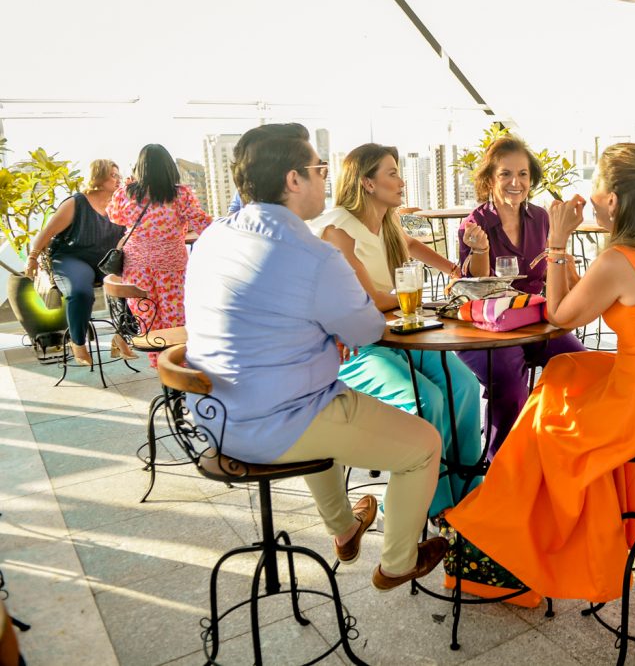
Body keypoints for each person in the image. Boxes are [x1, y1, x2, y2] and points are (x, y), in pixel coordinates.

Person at [447, 143, 635, 602]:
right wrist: (569, 269)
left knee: (543, 425)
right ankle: (504, 504)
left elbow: (561, 315)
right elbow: (593, 306)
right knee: (565, 369)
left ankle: (510, 528)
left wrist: (556, 243)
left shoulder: (618, 259)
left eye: (595, 189)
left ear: (612, 201)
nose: (589, 199)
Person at [185, 123, 446, 590]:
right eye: (319, 169)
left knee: (324, 400)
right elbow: (365, 330)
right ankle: (399, 562)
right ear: (293, 180)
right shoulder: (313, 255)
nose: (326, 179)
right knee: (422, 444)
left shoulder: (212, 237)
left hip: (214, 417)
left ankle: (345, 528)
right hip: (278, 423)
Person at [308, 143, 481, 518]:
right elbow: (367, 300)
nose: (401, 181)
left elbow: (413, 245)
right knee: (426, 401)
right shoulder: (337, 228)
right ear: (367, 183)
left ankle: (466, 490)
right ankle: (418, 502)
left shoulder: (387, 223)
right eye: (391, 173)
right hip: (354, 348)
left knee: (464, 386)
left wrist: (454, 271)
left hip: (396, 336)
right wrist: (416, 298)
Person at [456, 136, 586, 457]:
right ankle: (500, 466)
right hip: (486, 327)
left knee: (581, 365)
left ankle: (558, 448)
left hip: (531, 317)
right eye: (505, 174)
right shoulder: (474, 224)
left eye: (523, 174)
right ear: (490, 179)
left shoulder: (541, 218)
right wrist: (481, 249)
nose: (516, 182)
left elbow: (550, 267)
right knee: (511, 388)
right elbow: (477, 286)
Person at [107, 144, 212, 366]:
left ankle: (161, 369)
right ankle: (179, 366)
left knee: (148, 321)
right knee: (176, 320)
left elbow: (115, 218)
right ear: (168, 167)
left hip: (136, 268)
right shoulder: (180, 194)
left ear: (140, 168)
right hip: (172, 267)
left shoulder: (125, 194)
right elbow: (203, 224)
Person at [25, 159, 129, 365]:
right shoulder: (76, 203)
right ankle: (78, 343)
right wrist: (32, 258)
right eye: (113, 175)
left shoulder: (122, 205)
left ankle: (121, 337)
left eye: (119, 175)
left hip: (105, 260)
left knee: (128, 286)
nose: (119, 180)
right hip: (72, 258)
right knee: (81, 292)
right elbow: (47, 233)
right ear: (99, 177)